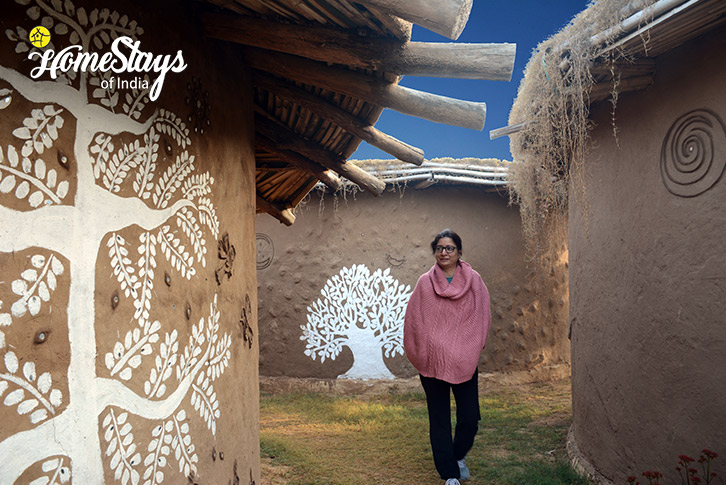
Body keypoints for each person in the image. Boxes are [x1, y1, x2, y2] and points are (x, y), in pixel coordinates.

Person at [404, 229, 491, 485]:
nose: (444, 252)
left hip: (464, 360)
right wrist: (424, 349)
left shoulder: (474, 281)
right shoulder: (424, 283)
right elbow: (415, 321)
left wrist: (472, 347)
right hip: (432, 363)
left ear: (459, 252)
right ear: (435, 252)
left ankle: (457, 455)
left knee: (469, 418)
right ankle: (449, 473)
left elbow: (482, 317)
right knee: (439, 419)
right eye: (440, 248)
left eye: (450, 248)